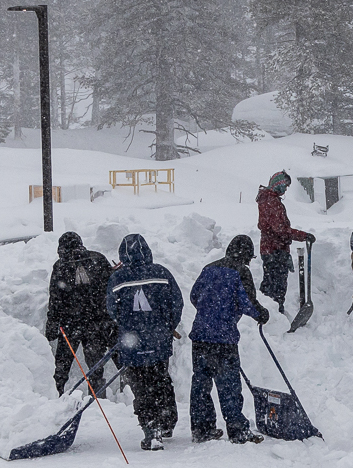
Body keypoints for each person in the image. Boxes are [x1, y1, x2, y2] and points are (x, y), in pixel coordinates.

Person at [106, 234, 184, 451]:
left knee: (141, 387)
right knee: (161, 380)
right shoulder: (162, 273)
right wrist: (167, 326)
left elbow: (112, 309)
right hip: (159, 341)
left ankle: (151, 430)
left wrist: (127, 325)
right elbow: (177, 303)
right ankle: (167, 422)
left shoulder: (118, 279)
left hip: (133, 344)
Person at [189, 235, 270, 444]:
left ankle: (202, 429)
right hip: (223, 339)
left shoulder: (209, 268)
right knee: (229, 387)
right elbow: (248, 302)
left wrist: (209, 312)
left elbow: (194, 296)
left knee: (200, 385)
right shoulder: (240, 271)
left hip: (200, 336)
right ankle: (237, 430)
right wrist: (261, 314)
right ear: (247, 255)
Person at [45, 232, 117, 397]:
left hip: (73, 323)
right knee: (94, 367)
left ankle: (56, 397)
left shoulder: (62, 265)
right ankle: (98, 399)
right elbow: (111, 290)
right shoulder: (97, 259)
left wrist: (52, 324)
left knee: (62, 367)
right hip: (93, 323)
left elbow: (55, 299)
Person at [256, 170, 315, 314]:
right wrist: (303, 236)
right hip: (275, 250)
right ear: (278, 184)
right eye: (285, 186)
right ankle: (274, 315)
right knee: (276, 287)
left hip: (270, 249)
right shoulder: (272, 202)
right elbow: (280, 229)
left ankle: (268, 313)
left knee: (270, 285)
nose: (286, 189)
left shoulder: (268, 199)